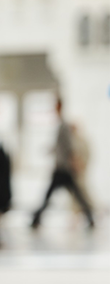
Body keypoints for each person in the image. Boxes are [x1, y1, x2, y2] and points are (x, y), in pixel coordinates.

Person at [31, 98, 94, 229]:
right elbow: (60, 146)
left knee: (73, 194)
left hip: (63, 168)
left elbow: (69, 146)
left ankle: (36, 219)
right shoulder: (60, 125)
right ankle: (89, 216)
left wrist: (74, 161)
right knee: (74, 194)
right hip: (61, 167)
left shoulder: (64, 125)